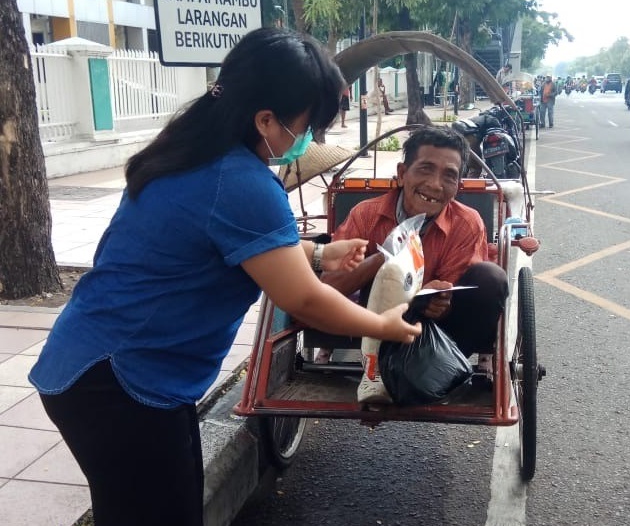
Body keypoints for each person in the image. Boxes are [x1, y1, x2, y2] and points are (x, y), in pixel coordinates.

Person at [27, 28, 421, 526]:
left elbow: (233, 242)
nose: (311, 140)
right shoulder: (241, 183)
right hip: (123, 382)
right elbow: (302, 299)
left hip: (97, 367)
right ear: (265, 119)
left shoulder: (190, 151)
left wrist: (320, 254)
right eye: (308, 127)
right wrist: (382, 326)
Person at [314, 126, 509, 379]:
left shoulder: (467, 224)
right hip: (373, 322)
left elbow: (452, 300)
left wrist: (440, 302)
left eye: (449, 176)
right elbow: (328, 287)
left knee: (491, 277)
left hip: (436, 333)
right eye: (425, 169)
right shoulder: (365, 215)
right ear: (402, 173)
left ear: (458, 186)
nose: (435, 185)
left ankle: (438, 371)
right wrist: (384, 257)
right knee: (383, 273)